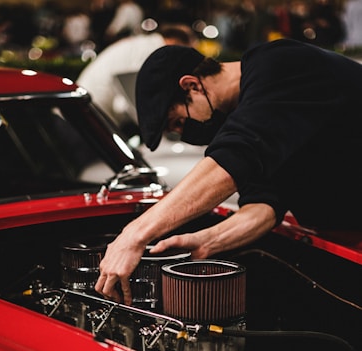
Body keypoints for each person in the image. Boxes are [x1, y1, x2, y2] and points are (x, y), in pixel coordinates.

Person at [95, 39, 362, 304]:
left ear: (192, 85)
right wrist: (207, 242)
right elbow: (264, 205)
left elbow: (234, 158)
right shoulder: (249, 114)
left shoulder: (280, 65)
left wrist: (133, 235)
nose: (184, 134)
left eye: (178, 122)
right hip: (343, 240)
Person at [77, 24, 196, 131]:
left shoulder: (144, 44)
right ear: (176, 42)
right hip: (92, 109)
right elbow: (134, 94)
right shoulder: (154, 51)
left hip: (87, 104)